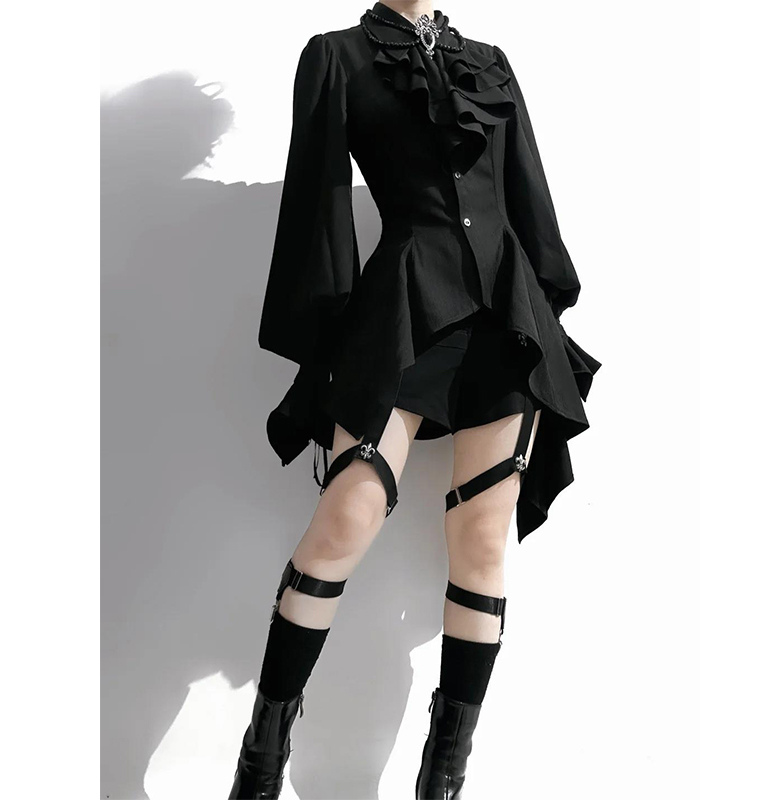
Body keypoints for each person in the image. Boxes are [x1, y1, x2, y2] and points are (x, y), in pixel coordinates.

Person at [229, 2, 602, 798]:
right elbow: (317, 204)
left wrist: (547, 316)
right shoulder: (336, 56)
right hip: (402, 311)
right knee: (347, 518)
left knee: (483, 539)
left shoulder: (490, 62)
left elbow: (528, 198)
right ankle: (259, 764)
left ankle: (443, 780)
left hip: (504, 319)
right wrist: (330, 342)